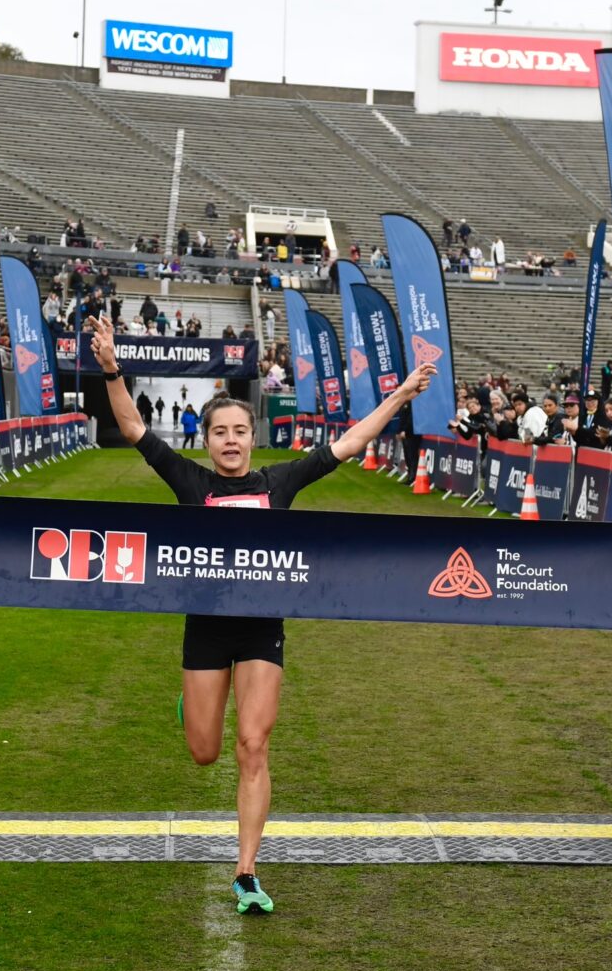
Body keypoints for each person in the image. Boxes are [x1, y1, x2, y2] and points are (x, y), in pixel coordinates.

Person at [86, 314, 434, 916]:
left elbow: (349, 444)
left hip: (260, 629)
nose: (229, 439)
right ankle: (198, 705)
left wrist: (400, 395)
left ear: (253, 437)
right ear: (206, 439)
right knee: (205, 751)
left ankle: (247, 872)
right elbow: (134, 425)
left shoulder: (279, 482)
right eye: (219, 430)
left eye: (239, 430)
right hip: (205, 628)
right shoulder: (190, 482)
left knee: (255, 744)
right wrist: (113, 368)